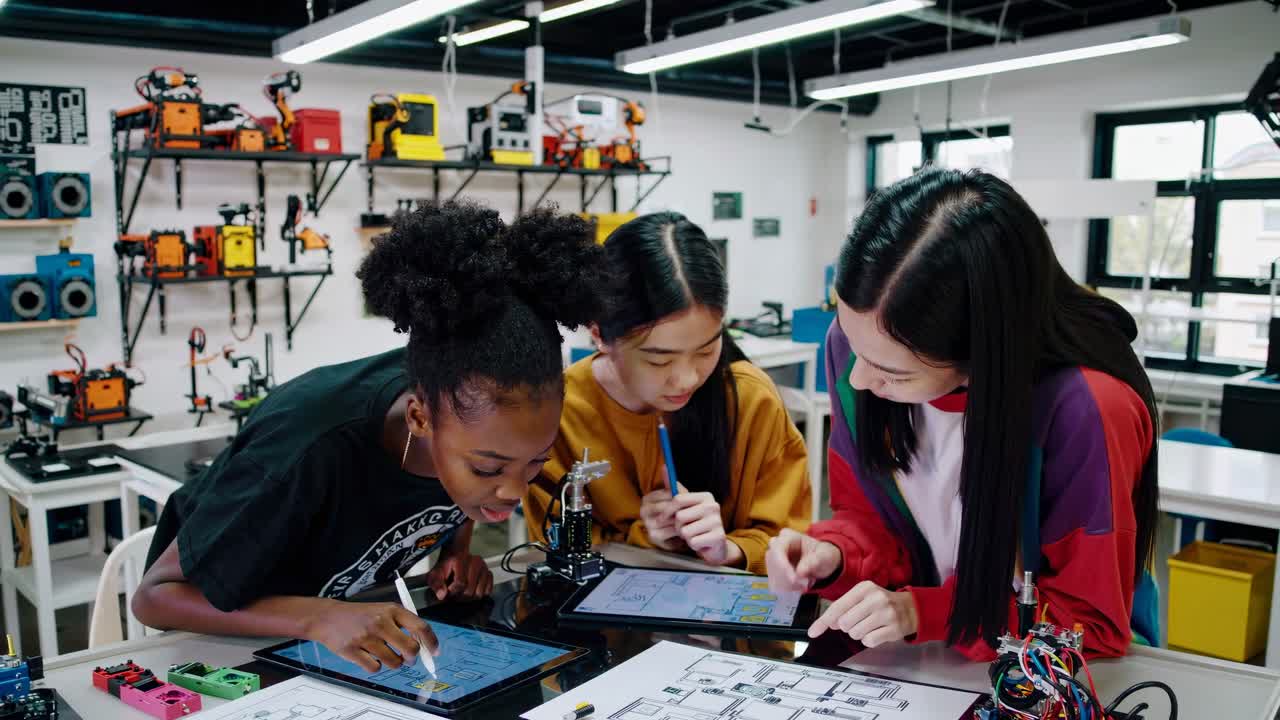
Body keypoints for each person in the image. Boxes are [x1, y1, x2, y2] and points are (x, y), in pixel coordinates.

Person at [134, 201, 606, 672]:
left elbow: (480, 472)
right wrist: (321, 618)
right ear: (420, 419)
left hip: (330, 640)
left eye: (535, 462)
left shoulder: (464, 410)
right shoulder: (305, 449)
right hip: (217, 644)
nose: (513, 493)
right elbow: (155, 598)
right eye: (488, 469)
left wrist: (456, 551)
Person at [766, 168, 1159, 660]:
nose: (858, 380)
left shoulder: (1086, 407)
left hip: (1042, 674)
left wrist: (923, 612)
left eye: (892, 371)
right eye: (851, 340)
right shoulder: (856, 346)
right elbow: (870, 517)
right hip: (916, 658)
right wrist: (836, 553)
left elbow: (1089, 624)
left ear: (981, 357)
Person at [524, 212, 811, 574]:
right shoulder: (558, 414)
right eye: (660, 361)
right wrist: (646, 542)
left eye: (707, 350)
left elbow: (793, 542)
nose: (687, 380)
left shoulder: (750, 400)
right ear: (598, 333)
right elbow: (552, 550)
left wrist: (729, 550)